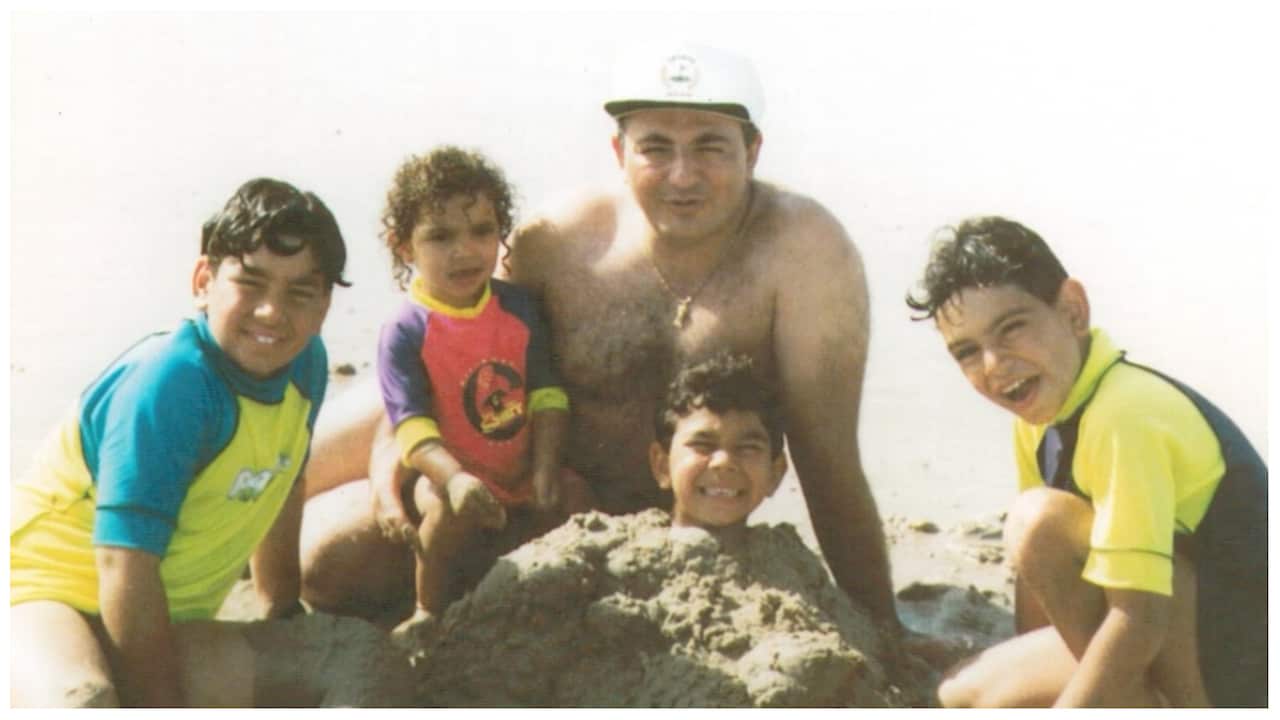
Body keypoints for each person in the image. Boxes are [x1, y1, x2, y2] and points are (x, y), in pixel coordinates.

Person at [300, 43, 900, 638]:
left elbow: (830, 460)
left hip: (611, 516)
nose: (682, 176)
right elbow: (454, 345)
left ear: (753, 150)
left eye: (710, 147)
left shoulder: (806, 252)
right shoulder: (560, 239)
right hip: (507, 456)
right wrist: (390, 458)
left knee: (339, 563)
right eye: (656, 148)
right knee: (321, 556)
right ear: (619, 151)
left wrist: (882, 624)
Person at [9, 179, 408, 707]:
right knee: (84, 700)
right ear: (204, 280)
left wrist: (281, 611)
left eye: (299, 292)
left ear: (325, 304)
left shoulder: (305, 365)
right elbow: (122, 563)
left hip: (157, 622)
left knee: (353, 658)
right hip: (40, 601)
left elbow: (283, 485)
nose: (272, 312)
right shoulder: (171, 384)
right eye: (251, 284)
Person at [905, 216, 1267, 707]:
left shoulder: (1125, 414)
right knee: (962, 694)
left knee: (1038, 521)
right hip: (1176, 625)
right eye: (968, 352)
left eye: (1011, 329)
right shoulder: (1039, 414)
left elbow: (1139, 617)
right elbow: (1041, 574)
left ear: (1074, 310)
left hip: (1243, 660)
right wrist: (1019, 658)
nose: (994, 366)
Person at [367, 146, 585, 633]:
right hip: (447, 475)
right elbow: (412, 429)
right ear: (404, 246)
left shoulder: (518, 308)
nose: (464, 250)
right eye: (440, 236)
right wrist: (457, 479)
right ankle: (427, 610)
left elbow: (546, 394)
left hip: (520, 468)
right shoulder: (406, 330)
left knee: (574, 492)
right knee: (445, 518)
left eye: (482, 231)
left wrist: (546, 465)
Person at [649, 352, 787, 533]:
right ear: (662, 466)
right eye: (703, 445)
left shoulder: (789, 559)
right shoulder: (619, 555)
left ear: (775, 473)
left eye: (748, 448)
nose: (724, 462)